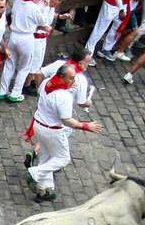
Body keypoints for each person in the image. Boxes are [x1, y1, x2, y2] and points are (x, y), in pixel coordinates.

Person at [23, 65, 102, 203]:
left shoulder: (47, 83)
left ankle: (42, 191)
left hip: (39, 125)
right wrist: (86, 126)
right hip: (52, 130)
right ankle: (34, 173)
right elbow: (67, 121)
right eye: (71, 78)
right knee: (63, 158)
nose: (73, 80)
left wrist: (66, 88)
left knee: (46, 157)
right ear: (61, 77)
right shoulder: (65, 97)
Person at [0, 0, 51, 103]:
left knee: (9, 64)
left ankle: (2, 90)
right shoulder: (34, 7)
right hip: (26, 38)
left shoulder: (18, 3)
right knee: (24, 67)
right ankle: (16, 92)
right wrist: (45, 7)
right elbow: (43, 21)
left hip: (14, 36)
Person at [25, 0, 70, 94]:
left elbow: (50, 16)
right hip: (36, 37)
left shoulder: (51, 6)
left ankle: (30, 80)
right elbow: (35, 21)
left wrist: (59, 16)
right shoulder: (42, 6)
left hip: (43, 38)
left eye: (60, 0)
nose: (57, 2)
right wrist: (42, 28)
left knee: (39, 61)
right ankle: (26, 85)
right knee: (34, 62)